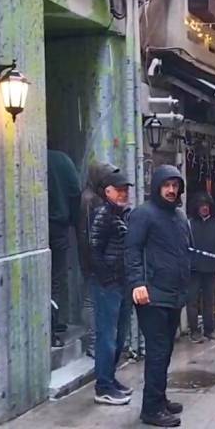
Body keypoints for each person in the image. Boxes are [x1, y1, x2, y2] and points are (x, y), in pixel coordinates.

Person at [125, 165, 190, 428]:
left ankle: (159, 398)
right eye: (167, 185)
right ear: (157, 186)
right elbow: (132, 250)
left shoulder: (179, 216)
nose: (172, 190)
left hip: (174, 295)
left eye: (175, 185)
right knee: (157, 351)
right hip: (151, 295)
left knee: (165, 351)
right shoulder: (144, 214)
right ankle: (151, 409)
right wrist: (137, 283)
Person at [89, 170, 135, 405]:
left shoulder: (121, 214)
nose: (123, 194)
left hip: (123, 282)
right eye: (119, 190)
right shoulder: (102, 214)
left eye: (125, 190)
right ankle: (103, 385)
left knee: (119, 335)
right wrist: (107, 279)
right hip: (108, 285)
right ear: (107, 191)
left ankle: (110, 378)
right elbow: (94, 250)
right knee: (107, 336)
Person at [79, 160, 119, 358]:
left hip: (101, 258)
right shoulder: (90, 200)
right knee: (91, 301)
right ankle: (93, 343)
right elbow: (89, 236)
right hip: (93, 259)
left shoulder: (99, 199)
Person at [47, 149, 82, 347]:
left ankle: (50, 326)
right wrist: (77, 228)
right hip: (58, 227)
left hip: (32, 226)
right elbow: (74, 192)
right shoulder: (62, 160)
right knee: (55, 280)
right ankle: (54, 325)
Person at [187, 192, 215, 343]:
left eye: (207, 206)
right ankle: (194, 331)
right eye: (202, 206)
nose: (204, 209)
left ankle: (209, 330)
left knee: (209, 301)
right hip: (194, 269)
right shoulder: (190, 224)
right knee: (192, 301)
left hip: (211, 268)